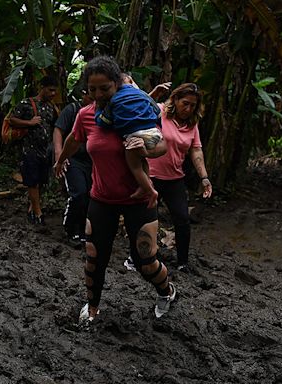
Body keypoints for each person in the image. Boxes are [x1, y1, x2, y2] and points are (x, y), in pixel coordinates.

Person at [54, 55, 176, 321]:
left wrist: (142, 147)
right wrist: (61, 160)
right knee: (94, 258)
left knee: (146, 260)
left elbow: (162, 145)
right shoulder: (86, 115)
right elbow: (75, 140)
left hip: (138, 198)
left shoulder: (136, 108)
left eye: (105, 89)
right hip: (102, 198)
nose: (98, 95)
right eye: (92, 89)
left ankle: (166, 292)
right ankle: (93, 307)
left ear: (117, 84)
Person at [145, 83, 212, 274]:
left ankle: (182, 261)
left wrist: (204, 178)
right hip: (151, 176)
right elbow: (138, 107)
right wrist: (155, 93)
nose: (188, 109)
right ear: (175, 99)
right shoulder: (159, 111)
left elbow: (196, 150)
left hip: (174, 179)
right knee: (147, 219)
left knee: (182, 219)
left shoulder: (192, 124)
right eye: (185, 103)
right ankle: (141, 256)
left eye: (192, 105)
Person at [95, 75, 165, 209]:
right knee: (142, 159)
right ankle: (143, 185)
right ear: (132, 83)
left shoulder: (114, 99)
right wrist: (156, 127)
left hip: (134, 136)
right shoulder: (143, 94)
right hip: (153, 133)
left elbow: (104, 122)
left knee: (135, 167)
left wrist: (98, 110)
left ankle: (151, 191)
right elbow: (157, 112)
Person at [9, 75, 58, 225]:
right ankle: (38, 212)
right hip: (29, 149)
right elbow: (12, 119)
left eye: (55, 91)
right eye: (50, 90)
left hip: (45, 150)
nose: (53, 94)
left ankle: (32, 207)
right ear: (42, 88)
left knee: (42, 180)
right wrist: (29, 123)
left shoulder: (51, 107)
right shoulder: (27, 103)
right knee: (32, 181)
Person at [53, 89, 94, 247]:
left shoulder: (100, 111)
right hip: (73, 159)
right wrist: (59, 155)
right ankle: (70, 228)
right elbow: (59, 130)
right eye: (90, 96)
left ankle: (84, 230)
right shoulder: (73, 109)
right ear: (83, 94)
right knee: (78, 193)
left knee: (91, 196)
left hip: (92, 161)